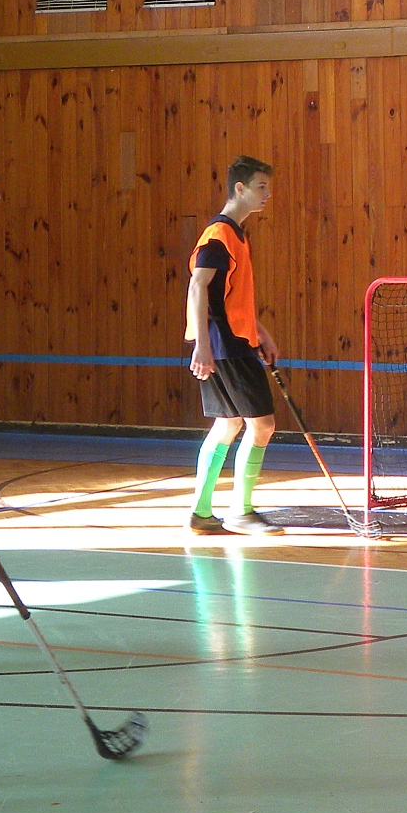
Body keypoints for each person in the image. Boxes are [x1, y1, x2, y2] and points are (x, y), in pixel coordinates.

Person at [185, 156, 283, 536]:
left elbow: (231, 298)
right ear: (239, 189)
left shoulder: (237, 235)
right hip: (224, 344)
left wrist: (261, 332)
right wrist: (203, 347)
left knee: (228, 424)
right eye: (261, 187)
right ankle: (241, 512)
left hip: (233, 339)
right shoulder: (218, 236)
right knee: (262, 425)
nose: (267, 194)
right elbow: (198, 287)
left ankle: (201, 513)